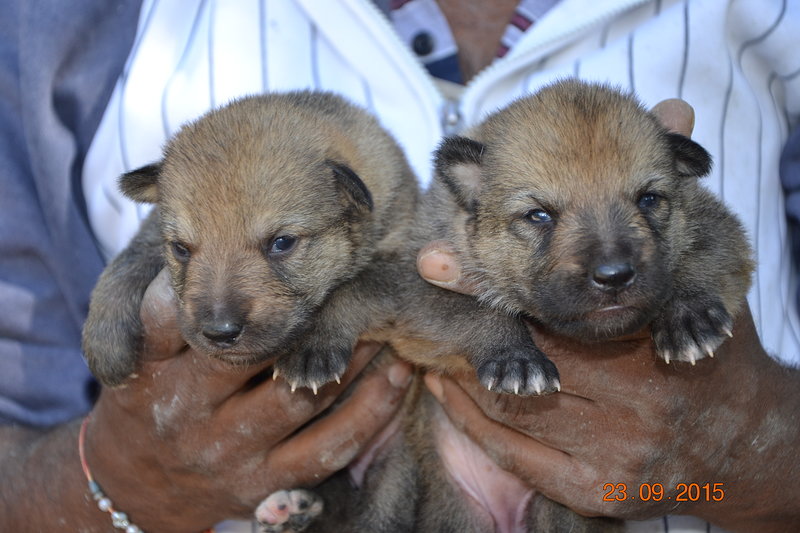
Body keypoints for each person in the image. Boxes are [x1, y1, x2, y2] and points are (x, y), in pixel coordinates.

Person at [1, 0, 798, 531]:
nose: (614, 261)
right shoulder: (65, 27)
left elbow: (715, 242)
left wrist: (755, 457)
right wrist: (109, 479)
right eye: (539, 216)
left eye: (651, 200)